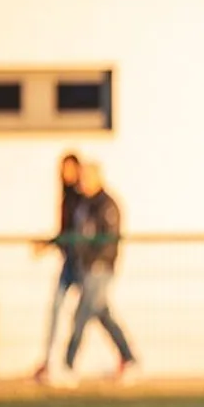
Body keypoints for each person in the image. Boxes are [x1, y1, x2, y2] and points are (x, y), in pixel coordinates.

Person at [55, 161, 138, 389]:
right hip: (85, 268)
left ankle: (68, 366)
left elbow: (108, 240)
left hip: (99, 269)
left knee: (82, 315)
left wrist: (92, 260)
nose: (81, 182)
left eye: (85, 177)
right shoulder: (84, 204)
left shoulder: (107, 204)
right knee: (103, 315)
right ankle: (130, 359)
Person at [31, 152, 83, 383]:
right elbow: (65, 233)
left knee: (95, 311)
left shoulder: (83, 199)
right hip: (69, 262)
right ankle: (50, 361)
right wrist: (49, 243)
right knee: (56, 309)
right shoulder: (66, 198)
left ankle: (67, 363)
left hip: (84, 264)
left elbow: (79, 233)